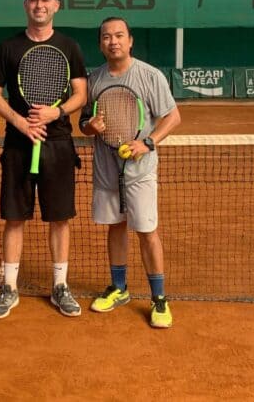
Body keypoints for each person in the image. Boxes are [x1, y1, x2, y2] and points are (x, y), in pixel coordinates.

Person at [0, 0, 87, 320]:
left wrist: (56, 112)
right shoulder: (8, 47)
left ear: (57, 5)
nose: (39, 4)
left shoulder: (69, 47)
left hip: (57, 143)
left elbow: (80, 94)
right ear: (25, 5)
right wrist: (21, 123)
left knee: (59, 217)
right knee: (15, 217)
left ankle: (60, 286)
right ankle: (9, 287)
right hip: (18, 143)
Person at [79, 17, 181, 329]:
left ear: (130, 40)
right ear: (100, 44)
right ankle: (119, 288)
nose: (113, 41)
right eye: (107, 37)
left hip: (140, 171)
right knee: (116, 227)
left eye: (119, 35)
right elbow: (85, 123)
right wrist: (89, 127)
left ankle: (159, 298)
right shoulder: (94, 79)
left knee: (147, 231)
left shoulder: (149, 76)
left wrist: (148, 142)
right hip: (107, 170)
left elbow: (173, 117)